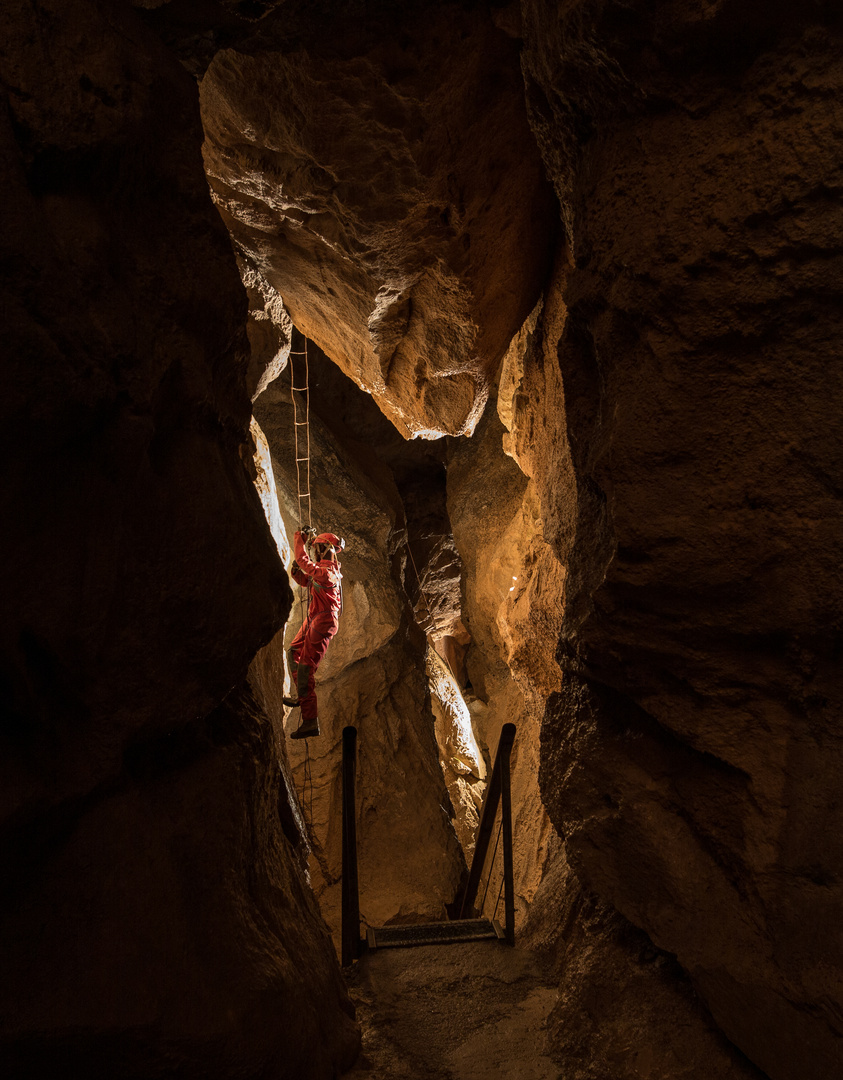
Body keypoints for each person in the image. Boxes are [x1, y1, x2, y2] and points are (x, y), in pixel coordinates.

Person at [284, 525, 344, 739]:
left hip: (323, 621)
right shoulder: (325, 572)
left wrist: (299, 537)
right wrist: (295, 572)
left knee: (306, 669)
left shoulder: (328, 572)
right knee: (293, 651)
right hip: (316, 617)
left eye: (316, 548)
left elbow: (304, 563)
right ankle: (302, 696)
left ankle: (310, 721)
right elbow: (307, 581)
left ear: (323, 549)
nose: (314, 552)